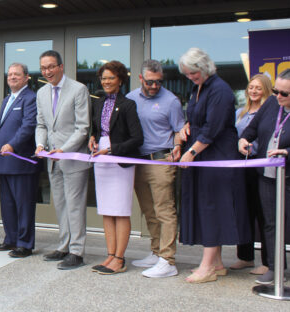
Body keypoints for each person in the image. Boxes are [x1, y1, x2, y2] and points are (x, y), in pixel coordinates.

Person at [178, 48, 250, 284]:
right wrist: (185, 127)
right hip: (202, 153)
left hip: (216, 154)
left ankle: (207, 266)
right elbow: (197, 118)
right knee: (204, 204)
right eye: (187, 74)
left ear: (204, 67)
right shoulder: (197, 87)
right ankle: (217, 263)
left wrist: (191, 151)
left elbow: (212, 128)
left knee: (211, 207)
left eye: (193, 73)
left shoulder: (220, 90)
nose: (190, 77)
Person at [126, 60, 184, 278]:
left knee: (164, 210)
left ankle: (168, 260)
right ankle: (156, 251)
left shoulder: (171, 101)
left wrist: (178, 146)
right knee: (149, 211)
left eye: (159, 82)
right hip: (138, 161)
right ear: (141, 78)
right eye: (150, 82)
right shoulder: (131, 98)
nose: (154, 86)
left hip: (161, 160)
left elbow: (179, 130)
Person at [35, 50, 91, 270]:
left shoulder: (78, 90)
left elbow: (82, 127)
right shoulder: (41, 93)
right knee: (60, 204)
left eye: (50, 67)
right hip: (52, 159)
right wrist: (40, 145)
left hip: (73, 158)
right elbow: (41, 125)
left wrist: (64, 150)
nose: (47, 72)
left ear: (61, 66)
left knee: (75, 205)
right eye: (43, 68)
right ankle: (64, 246)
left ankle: (77, 251)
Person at [239, 68, 290, 285]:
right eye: (276, 91)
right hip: (267, 175)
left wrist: (288, 152)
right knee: (270, 223)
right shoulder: (272, 103)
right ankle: (274, 267)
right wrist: (243, 141)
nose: (278, 96)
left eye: (284, 93)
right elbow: (250, 130)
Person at [89, 61, 143, 275]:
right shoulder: (98, 102)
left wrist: (112, 149)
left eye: (111, 78)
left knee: (120, 211)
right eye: (103, 78)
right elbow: (96, 128)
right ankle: (110, 255)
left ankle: (120, 258)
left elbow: (138, 138)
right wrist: (92, 139)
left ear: (121, 80)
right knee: (106, 210)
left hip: (118, 159)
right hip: (101, 158)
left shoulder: (128, 105)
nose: (106, 82)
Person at [0, 63, 40, 258]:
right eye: (10, 74)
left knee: (23, 206)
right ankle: (11, 239)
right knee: (8, 205)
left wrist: (12, 145)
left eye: (17, 74)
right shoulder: (6, 100)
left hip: (21, 161)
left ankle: (25, 244)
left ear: (26, 77)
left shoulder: (31, 98)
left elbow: (28, 126)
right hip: (4, 162)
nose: (12, 77)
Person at [230, 74, 272, 275]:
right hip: (241, 167)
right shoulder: (240, 112)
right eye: (251, 87)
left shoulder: (270, 113)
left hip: (261, 167)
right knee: (243, 212)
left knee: (264, 215)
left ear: (266, 90)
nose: (254, 91)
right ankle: (245, 257)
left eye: (258, 88)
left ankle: (268, 262)